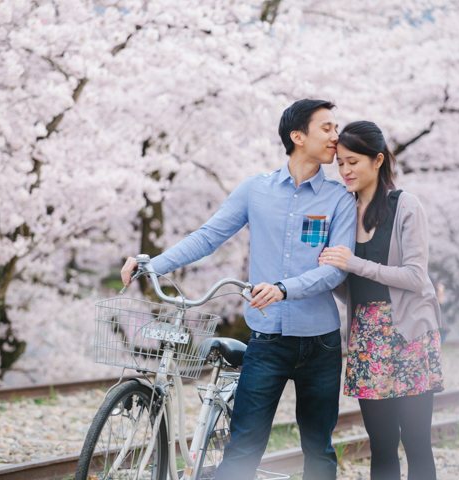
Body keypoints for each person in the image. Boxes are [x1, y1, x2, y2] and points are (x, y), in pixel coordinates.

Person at [121, 99, 356, 479]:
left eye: (335, 127)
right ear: (298, 137)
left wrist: (283, 289)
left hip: (321, 343)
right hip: (267, 340)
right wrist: (153, 263)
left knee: (318, 449)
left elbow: (334, 273)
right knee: (243, 449)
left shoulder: (340, 199)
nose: (336, 136)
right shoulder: (255, 190)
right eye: (326, 128)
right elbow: (208, 236)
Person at [319, 121, 444, 480]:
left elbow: (415, 276)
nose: (345, 171)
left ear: (377, 160)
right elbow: (351, 286)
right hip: (367, 339)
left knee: (417, 442)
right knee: (382, 445)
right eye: (340, 162)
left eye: (353, 162)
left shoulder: (405, 205)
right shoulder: (345, 210)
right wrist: (327, 271)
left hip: (409, 336)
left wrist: (354, 262)